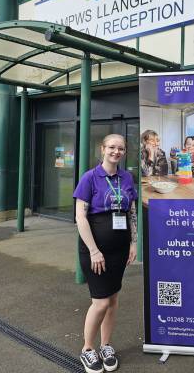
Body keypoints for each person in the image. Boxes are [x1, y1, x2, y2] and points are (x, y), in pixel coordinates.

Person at [73, 134, 138, 373]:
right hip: (95, 250)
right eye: (111, 147)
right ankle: (88, 349)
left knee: (112, 300)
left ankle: (106, 345)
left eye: (120, 148)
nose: (116, 151)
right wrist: (93, 251)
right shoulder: (90, 178)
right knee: (100, 302)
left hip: (119, 250)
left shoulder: (127, 177)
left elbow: (131, 211)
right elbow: (80, 216)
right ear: (102, 149)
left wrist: (133, 242)